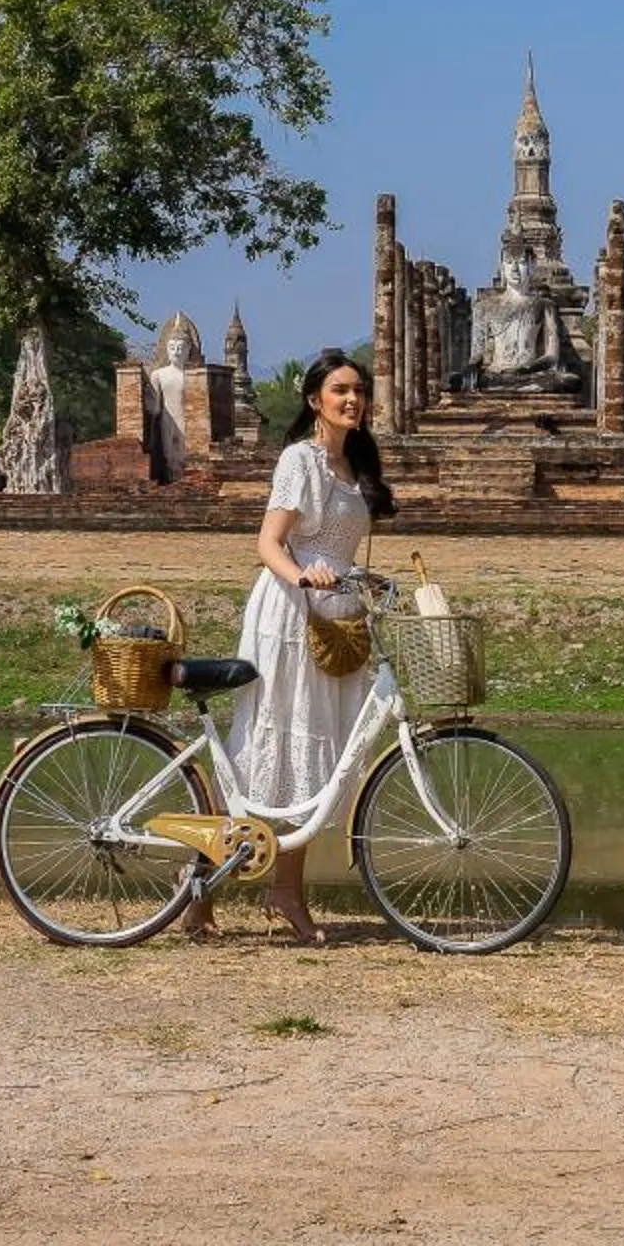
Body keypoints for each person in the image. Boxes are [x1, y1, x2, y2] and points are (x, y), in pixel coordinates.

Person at [183, 347, 397, 944]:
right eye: (340, 391)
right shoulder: (300, 460)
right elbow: (269, 543)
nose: (352, 399)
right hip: (290, 612)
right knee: (269, 750)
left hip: (340, 620)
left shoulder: (356, 465)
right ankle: (203, 889)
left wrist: (358, 577)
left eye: (358, 390)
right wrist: (304, 575)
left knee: (319, 760)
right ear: (314, 402)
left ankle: (284, 892)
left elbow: (341, 548)